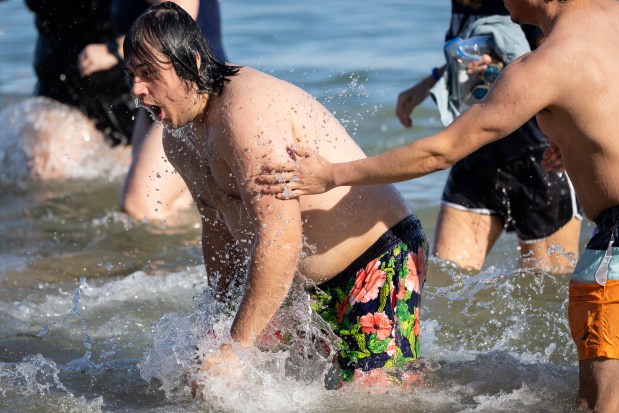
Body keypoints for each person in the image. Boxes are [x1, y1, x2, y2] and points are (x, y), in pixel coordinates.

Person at [258, 0, 619, 410]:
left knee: (598, 404)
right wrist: (585, 135)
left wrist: (331, 175)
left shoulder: (545, 63)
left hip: (614, 243)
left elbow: (440, 151)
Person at [123, 2, 429, 386]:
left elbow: (280, 237)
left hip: (377, 261)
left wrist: (236, 349)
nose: (136, 90)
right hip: (298, 286)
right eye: (132, 75)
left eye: (149, 73)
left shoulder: (244, 115)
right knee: (197, 377)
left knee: (373, 398)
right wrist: (220, 318)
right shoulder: (178, 138)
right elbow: (217, 230)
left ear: (193, 63)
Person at [394, 0, 581, 273]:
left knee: (545, 295)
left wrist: (505, 67)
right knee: (447, 281)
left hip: (540, 158)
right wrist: (430, 82)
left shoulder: (526, 4)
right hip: (475, 153)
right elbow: (469, 48)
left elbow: (569, 61)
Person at [77, 0, 228, 221]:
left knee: (139, 206)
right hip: (157, 96)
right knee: (169, 205)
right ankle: (188, 251)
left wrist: (111, 51)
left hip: (190, 93)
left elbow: (178, 14)